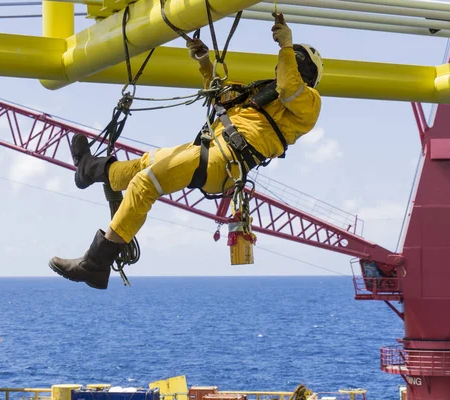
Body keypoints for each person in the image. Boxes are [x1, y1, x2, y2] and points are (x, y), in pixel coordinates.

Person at [48, 17, 323, 290]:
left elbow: (289, 87)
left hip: (225, 162)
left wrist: (286, 46)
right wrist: (204, 62)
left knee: (146, 183)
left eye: (297, 61)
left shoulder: (309, 102)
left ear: (307, 74)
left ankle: (95, 264)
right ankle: (88, 169)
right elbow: (222, 97)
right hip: (211, 150)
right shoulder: (261, 93)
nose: (289, 63)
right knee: (144, 163)